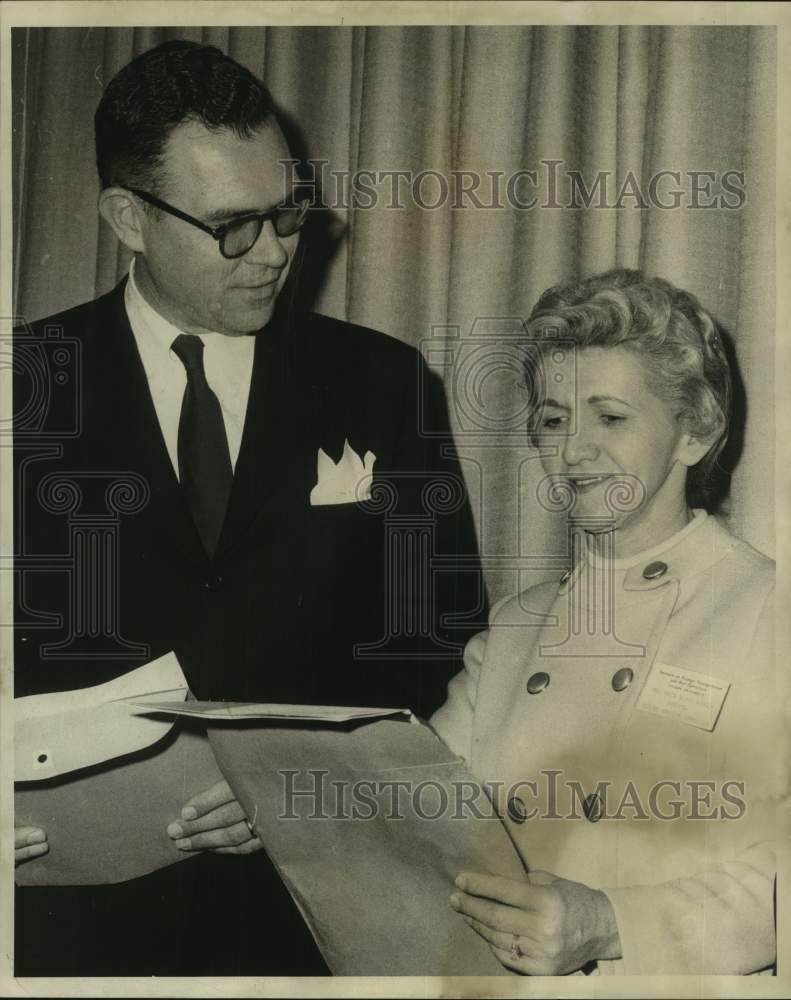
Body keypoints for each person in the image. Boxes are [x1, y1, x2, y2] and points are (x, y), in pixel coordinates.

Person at [13, 40, 484, 975]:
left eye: (287, 213)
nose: (273, 253)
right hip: (59, 931)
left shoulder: (381, 383)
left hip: (307, 921)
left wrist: (297, 784)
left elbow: (436, 641)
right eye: (234, 225)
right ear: (128, 218)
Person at [431, 269, 779, 975]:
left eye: (610, 417)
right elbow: (427, 809)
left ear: (694, 431)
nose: (572, 451)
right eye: (555, 419)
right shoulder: (515, 627)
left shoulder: (767, 609)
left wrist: (610, 922)